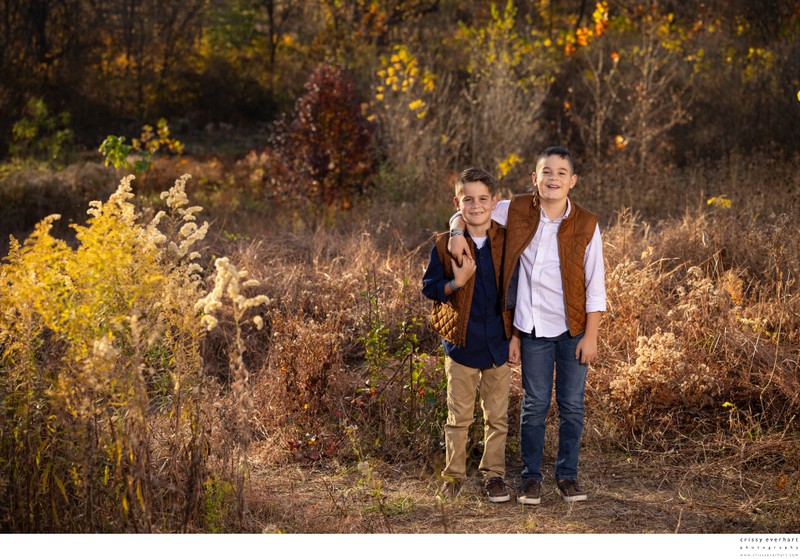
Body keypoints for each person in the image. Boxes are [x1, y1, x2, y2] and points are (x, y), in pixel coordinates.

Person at [448, 146, 606, 504]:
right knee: (535, 404)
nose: (553, 178)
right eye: (545, 172)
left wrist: (591, 336)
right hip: (532, 329)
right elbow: (471, 209)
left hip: (574, 329)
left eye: (561, 173)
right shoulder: (515, 209)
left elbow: (596, 285)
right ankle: (531, 477)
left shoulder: (586, 224)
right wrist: (456, 230)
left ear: (573, 181)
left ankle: (567, 475)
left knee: (571, 404)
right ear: (534, 178)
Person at [421, 167, 517, 503]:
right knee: (458, 417)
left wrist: (515, 336)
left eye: (482, 199)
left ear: (494, 201)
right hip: (461, 345)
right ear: (457, 203)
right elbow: (429, 288)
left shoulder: (505, 241)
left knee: (497, 418)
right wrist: (455, 284)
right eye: (468, 199)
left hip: (498, 345)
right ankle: (453, 476)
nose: (475, 205)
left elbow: (518, 290)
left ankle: (493, 477)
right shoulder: (445, 245)